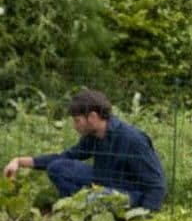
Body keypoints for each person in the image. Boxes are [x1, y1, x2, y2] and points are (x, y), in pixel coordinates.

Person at [4, 89, 167, 211]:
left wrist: (143, 220)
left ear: (93, 117)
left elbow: (157, 184)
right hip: (103, 182)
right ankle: (78, 211)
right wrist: (19, 161)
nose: (75, 126)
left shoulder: (132, 139)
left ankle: (88, 211)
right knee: (58, 168)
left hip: (130, 193)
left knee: (94, 199)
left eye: (77, 121)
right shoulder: (94, 136)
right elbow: (65, 156)